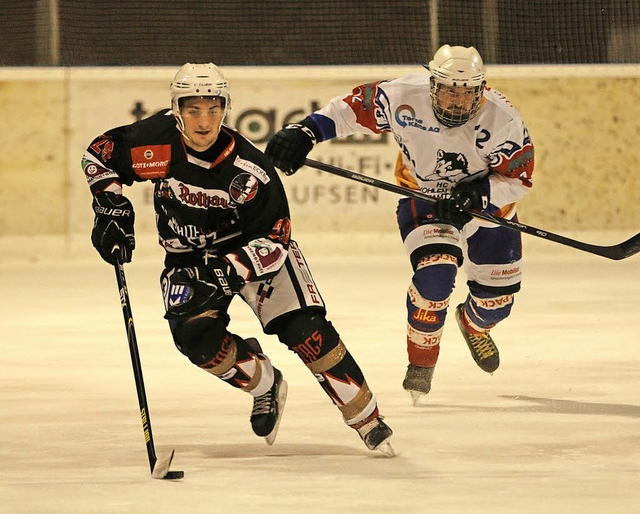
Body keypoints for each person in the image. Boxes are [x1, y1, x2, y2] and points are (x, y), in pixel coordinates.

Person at [82, 62, 394, 455]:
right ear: (176, 108)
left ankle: (366, 418)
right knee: (196, 342)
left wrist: (228, 271)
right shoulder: (154, 140)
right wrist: (110, 205)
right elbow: (99, 155)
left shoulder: (249, 168)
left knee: (307, 331)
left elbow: (276, 238)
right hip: (187, 256)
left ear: (225, 109)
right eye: (193, 109)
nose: (203, 120)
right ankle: (265, 384)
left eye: (213, 109)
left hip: (251, 252)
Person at [265, 45, 534, 405]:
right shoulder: (404, 95)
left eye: (468, 92)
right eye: (450, 91)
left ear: (481, 89)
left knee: (496, 303)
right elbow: (349, 109)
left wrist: (479, 194)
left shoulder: (503, 120)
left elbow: (520, 178)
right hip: (423, 195)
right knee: (435, 278)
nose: (457, 102)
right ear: (433, 84)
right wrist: (306, 132)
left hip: (488, 210)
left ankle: (474, 323)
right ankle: (422, 363)